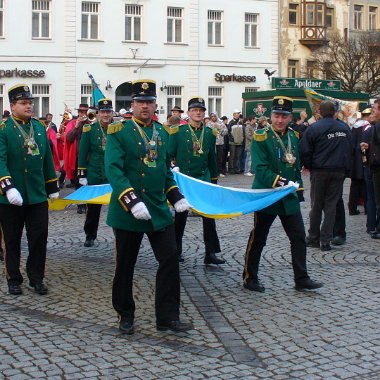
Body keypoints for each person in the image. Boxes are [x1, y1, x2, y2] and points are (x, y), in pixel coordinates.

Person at [105, 79, 192, 334]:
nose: (145, 106)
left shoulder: (162, 133)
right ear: (132, 105)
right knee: (125, 265)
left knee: (170, 260)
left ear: (156, 105)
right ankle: (125, 314)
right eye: (140, 102)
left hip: (156, 209)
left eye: (149, 102)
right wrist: (131, 201)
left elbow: (165, 171)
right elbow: (114, 170)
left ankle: (167, 317)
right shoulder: (118, 131)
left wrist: (175, 196)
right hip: (128, 211)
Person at [243, 96, 323, 292]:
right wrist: (283, 182)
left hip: (287, 197)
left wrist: (298, 189)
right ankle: (249, 277)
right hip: (267, 196)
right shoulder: (261, 136)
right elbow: (260, 169)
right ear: (271, 116)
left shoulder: (294, 136)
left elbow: (295, 166)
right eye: (277, 115)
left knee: (298, 237)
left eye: (284, 116)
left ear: (290, 117)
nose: (280, 120)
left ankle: (301, 278)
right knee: (259, 238)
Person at [0, 84, 59, 295]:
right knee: (12, 239)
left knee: (39, 237)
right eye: (23, 103)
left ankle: (36, 277)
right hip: (11, 197)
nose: (28, 106)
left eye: (30, 103)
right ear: (12, 105)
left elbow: (47, 159)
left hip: (36, 195)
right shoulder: (4, 130)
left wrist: (51, 185)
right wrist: (7, 187)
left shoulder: (40, 128)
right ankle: (13, 278)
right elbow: (0, 161)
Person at [168, 97, 225, 265]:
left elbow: (212, 159)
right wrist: (173, 169)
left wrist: (213, 181)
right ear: (188, 113)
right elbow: (169, 155)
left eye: (200, 110)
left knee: (209, 216)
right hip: (184, 180)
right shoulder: (178, 132)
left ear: (204, 113)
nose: (198, 113)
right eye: (194, 110)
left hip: (203, 179)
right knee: (180, 217)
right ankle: (175, 250)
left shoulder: (209, 133)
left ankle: (211, 253)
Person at [299, 101, 353, 251]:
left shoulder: (314, 128)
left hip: (320, 170)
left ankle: (313, 237)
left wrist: (309, 165)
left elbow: (304, 149)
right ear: (335, 112)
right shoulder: (344, 128)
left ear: (319, 113)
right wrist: (346, 169)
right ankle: (326, 240)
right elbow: (351, 149)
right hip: (338, 171)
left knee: (316, 204)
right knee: (331, 205)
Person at [78, 99, 113, 247]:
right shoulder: (89, 129)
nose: (105, 114)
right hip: (95, 173)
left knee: (119, 206)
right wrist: (82, 175)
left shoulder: (118, 129)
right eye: (103, 112)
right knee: (93, 208)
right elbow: (82, 152)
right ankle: (90, 235)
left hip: (113, 173)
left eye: (108, 112)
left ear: (112, 113)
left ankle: (121, 234)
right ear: (98, 113)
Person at [64, 103, 89, 213]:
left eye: (85, 112)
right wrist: (76, 126)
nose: (83, 114)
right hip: (77, 159)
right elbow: (68, 138)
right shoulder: (73, 123)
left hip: (89, 159)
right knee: (78, 183)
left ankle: (88, 202)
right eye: (81, 112)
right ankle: (80, 204)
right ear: (78, 113)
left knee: (89, 182)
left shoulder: (91, 123)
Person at [361, 100, 380, 239]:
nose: (372, 112)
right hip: (373, 166)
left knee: (376, 199)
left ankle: (376, 227)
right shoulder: (374, 127)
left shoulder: (376, 127)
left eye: (374, 109)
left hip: (376, 167)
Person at [209, 112, 228, 177]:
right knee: (212, 157)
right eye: (212, 116)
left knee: (220, 158)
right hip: (211, 143)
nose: (213, 117)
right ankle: (213, 171)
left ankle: (220, 171)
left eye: (214, 116)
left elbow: (225, 132)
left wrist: (219, 128)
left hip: (219, 143)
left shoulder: (221, 123)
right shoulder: (209, 123)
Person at [227, 109, 244, 174]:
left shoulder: (240, 122)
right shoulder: (231, 122)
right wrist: (232, 139)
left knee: (238, 156)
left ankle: (237, 169)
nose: (238, 114)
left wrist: (242, 139)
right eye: (237, 113)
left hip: (239, 142)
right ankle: (231, 169)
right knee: (232, 156)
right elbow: (228, 132)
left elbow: (242, 132)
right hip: (233, 142)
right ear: (234, 114)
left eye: (239, 113)